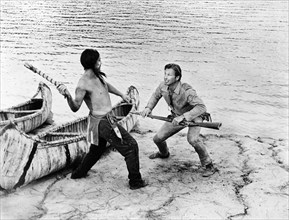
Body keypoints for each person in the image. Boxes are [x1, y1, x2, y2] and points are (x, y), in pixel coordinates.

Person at [57, 49, 148, 190]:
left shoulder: (97, 76)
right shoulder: (83, 84)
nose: (101, 62)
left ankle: (78, 174)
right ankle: (135, 182)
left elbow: (106, 86)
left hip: (104, 120)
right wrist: (67, 95)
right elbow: (75, 107)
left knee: (96, 151)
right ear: (93, 63)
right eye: (99, 60)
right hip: (102, 122)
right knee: (131, 147)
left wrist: (121, 95)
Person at [141, 63, 216, 177]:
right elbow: (155, 96)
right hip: (177, 116)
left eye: (169, 75)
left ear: (177, 78)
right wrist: (148, 108)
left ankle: (208, 165)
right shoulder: (163, 86)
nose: (165, 77)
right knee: (157, 139)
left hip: (194, 116)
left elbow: (201, 107)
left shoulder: (187, 90)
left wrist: (184, 116)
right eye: (165, 74)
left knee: (193, 140)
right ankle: (164, 153)